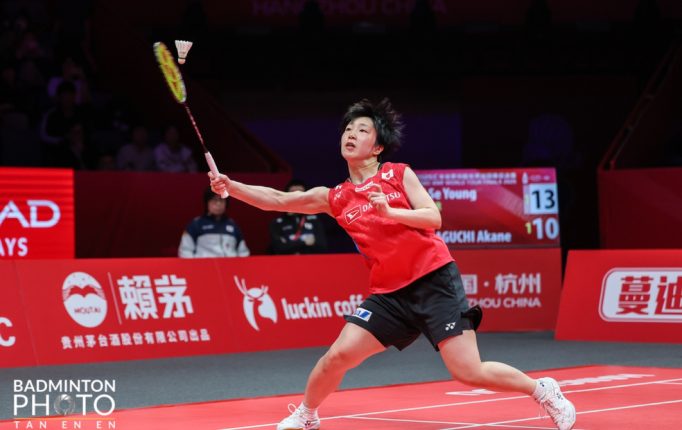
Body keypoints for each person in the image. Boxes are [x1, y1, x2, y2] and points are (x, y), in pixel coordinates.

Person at [209, 99, 576, 430]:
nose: (351, 134)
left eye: (362, 130)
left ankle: (542, 390)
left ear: (377, 147)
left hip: (434, 280)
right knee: (338, 355)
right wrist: (232, 187)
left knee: (468, 371)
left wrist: (390, 211)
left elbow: (433, 217)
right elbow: (276, 200)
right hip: (389, 294)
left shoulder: (398, 174)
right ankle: (307, 414)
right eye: (348, 129)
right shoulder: (335, 197)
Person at [178, 186, 250, 258]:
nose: (218, 204)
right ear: (207, 202)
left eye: (221, 200)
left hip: (230, 264)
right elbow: (185, 251)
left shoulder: (233, 225)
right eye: (214, 200)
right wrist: (196, 265)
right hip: (204, 264)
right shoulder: (196, 224)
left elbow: (243, 253)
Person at [269, 179, 328, 255]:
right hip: (287, 261)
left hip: (310, 260)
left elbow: (322, 247)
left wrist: (289, 244)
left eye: (300, 194)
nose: (297, 198)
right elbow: (279, 249)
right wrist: (304, 242)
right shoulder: (277, 223)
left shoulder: (314, 220)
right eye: (293, 194)